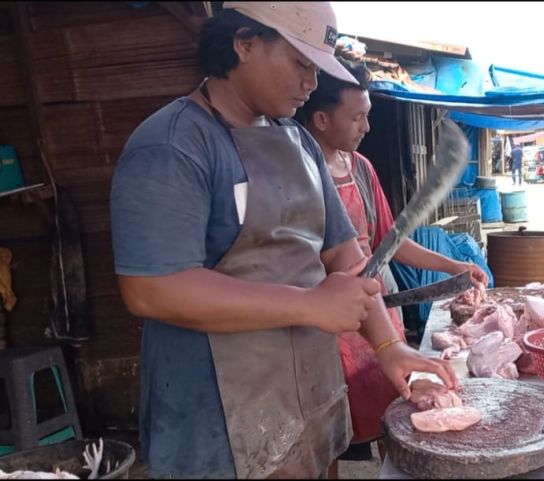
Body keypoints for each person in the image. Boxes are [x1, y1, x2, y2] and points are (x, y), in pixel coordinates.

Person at [109, 2, 457, 478]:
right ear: (245, 43)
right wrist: (310, 305)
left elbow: (344, 253)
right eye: (300, 64)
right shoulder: (173, 145)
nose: (311, 83)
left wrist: (388, 345)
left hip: (307, 389)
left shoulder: (298, 140)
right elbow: (152, 288)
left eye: (316, 69)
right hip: (217, 413)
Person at [296, 58, 489, 461]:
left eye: (368, 116)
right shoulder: (294, 175)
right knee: (328, 435)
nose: (367, 127)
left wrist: (454, 267)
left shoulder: (362, 169)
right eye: (357, 117)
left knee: (396, 411)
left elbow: (392, 241)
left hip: (379, 317)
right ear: (321, 119)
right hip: (326, 324)